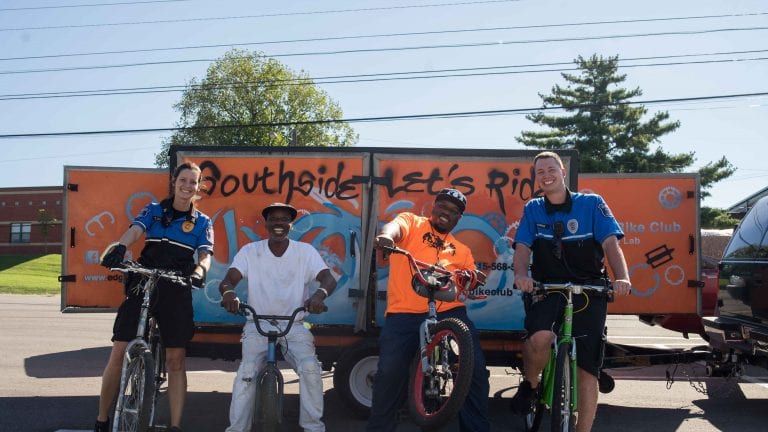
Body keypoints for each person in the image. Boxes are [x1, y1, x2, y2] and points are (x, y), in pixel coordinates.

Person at [509, 151, 632, 432]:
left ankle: (583, 429)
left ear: (563, 171)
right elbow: (523, 248)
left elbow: (611, 244)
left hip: (590, 289)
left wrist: (622, 278)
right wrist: (520, 275)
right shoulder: (533, 208)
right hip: (548, 288)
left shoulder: (591, 203)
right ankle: (531, 384)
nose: (546, 175)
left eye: (551, 169)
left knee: (587, 370)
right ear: (536, 177)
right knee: (538, 338)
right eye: (540, 171)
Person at [94, 162, 214, 432]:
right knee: (119, 350)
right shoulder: (154, 210)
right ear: (174, 181)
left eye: (193, 182)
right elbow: (136, 230)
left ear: (198, 187)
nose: (187, 186)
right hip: (144, 279)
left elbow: (206, 255)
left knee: (176, 359)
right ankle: (101, 420)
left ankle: (174, 426)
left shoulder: (203, 222)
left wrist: (199, 271)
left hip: (176, 284)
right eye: (183, 180)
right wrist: (121, 246)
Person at [367, 188, 491, 432]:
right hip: (405, 314)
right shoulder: (412, 222)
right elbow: (394, 228)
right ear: (433, 207)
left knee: (474, 369)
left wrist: (473, 278)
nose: (447, 213)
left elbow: (470, 278)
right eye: (443, 207)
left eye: (454, 212)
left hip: (450, 313)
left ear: (458, 219)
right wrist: (387, 238)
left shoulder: (461, 249)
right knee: (389, 371)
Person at [219, 202, 336, 432]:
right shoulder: (251, 252)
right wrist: (229, 294)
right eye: (274, 219)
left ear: (291, 225)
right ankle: (237, 429)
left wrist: (319, 296)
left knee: (311, 369)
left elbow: (328, 278)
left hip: (294, 324)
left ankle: (313, 428)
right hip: (257, 323)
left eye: (284, 219)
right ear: (267, 224)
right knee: (247, 373)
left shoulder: (304, 252)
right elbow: (228, 280)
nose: (279, 223)